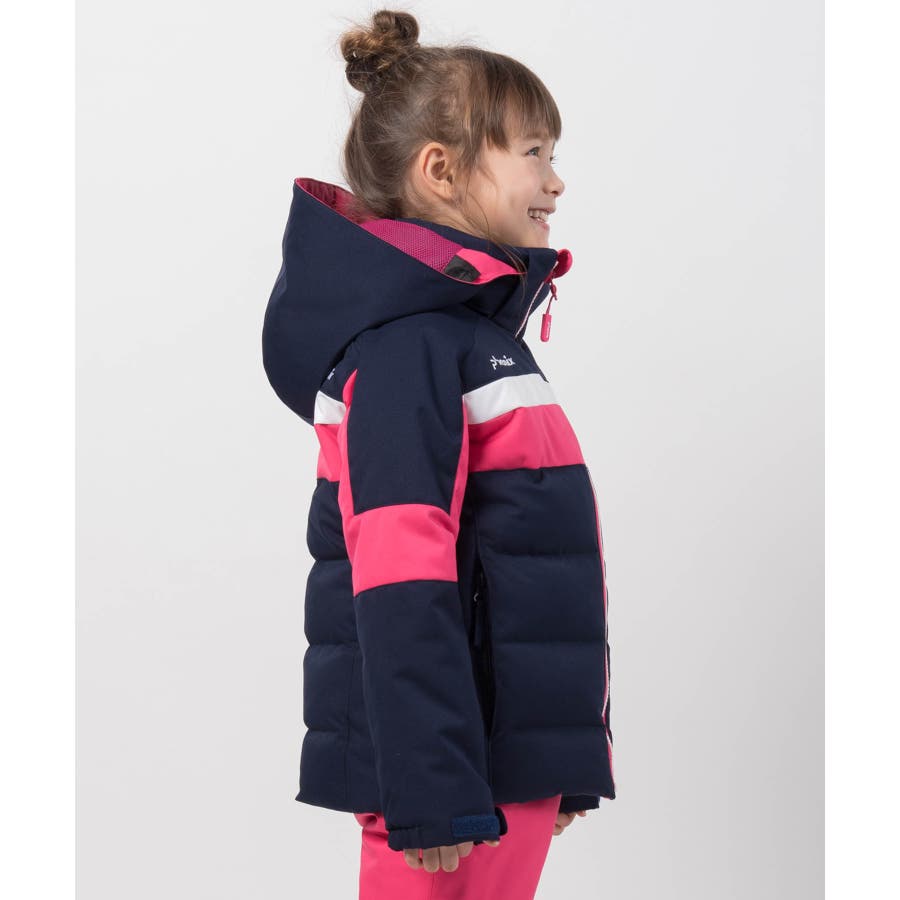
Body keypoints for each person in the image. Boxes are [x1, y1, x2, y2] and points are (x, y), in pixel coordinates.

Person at [261, 9, 616, 899]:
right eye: (533, 153)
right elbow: (400, 580)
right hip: (450, 784)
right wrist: (430, 789)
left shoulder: (473, 345)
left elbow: (530, 568)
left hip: (494, 766)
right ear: (441, 171)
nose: (556, 180)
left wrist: (558, 752)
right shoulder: (409, 353)